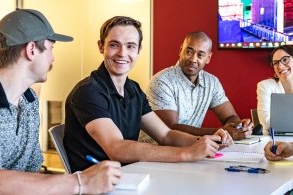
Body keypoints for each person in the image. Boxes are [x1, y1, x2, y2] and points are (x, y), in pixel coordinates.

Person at [64, 16, 234, 172]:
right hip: (95, 185)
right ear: (101, 46)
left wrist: (208, 142)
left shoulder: (133, 90)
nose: (123, 53)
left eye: (130, 46)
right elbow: (117, 148)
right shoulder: (87, 92)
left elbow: (165, 134)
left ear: (138, 50)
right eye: (114, 44)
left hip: (129, 176)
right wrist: (187, 153)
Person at [0, 9, 121, 195]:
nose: (53, 58)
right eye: (50, 48)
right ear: (31, 50)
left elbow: (31, 170)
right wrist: (81, 183)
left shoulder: (29, 101)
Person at [146, 31, 253, 141]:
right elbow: (170, 129)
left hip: (190, 149)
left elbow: (230, 117)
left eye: (200, 55)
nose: (193, 59)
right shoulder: (162, 81)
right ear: (180, 50)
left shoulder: (211, 82)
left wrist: (238, 127)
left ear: (208, 58)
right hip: (154, 152)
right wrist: (221, 132)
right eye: (188, 52)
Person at [257, 45, 293, 135]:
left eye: (285, 59)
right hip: (274, 140)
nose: (280, 66)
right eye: (276, 63)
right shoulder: (265, 86)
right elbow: (266, 122)